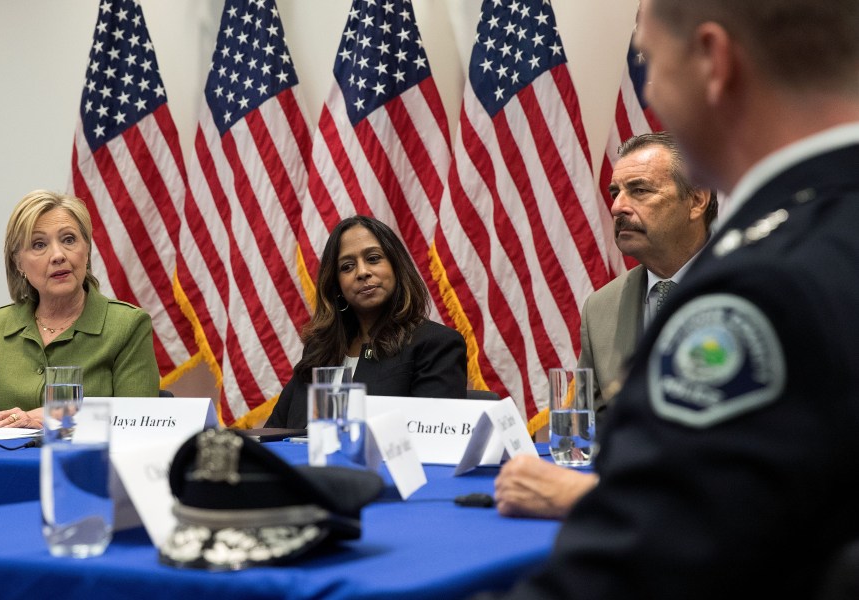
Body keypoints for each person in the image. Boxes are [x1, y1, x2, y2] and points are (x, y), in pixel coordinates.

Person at [480, 0, 859, 598]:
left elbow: (642, 567)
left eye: (649, 62)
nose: (649, 88)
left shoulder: (759, 292)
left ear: (713, 60)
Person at [495, 131, 716, 519]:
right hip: (626, 509)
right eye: (616, 192)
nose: (617, 207)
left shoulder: (749, 283)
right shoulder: (602, 307)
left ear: (697, 199)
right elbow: (588, 428)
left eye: (640, 190)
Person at [0, 190, 160, 428]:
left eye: (68, 240)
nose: (58, 255)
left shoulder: (128, 325)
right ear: (18, 263)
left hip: (90, 464)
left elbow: (140, 421)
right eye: (39, 244)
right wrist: (23, 421)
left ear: (86, 250)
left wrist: (44, 417)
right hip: (10, 464)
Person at [265, 215, 467, 429]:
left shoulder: (435, 344)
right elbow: (273, 432)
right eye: (347, 266)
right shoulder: (320, 350)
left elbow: (433, 440)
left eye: (373, 258)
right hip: (301, 462)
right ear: (336, 286)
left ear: (396, 267)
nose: (362, 272)